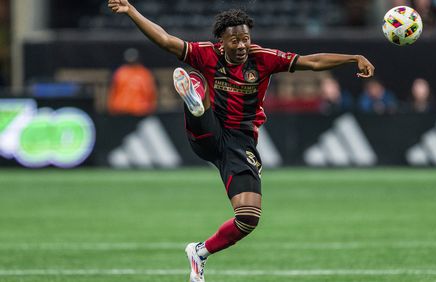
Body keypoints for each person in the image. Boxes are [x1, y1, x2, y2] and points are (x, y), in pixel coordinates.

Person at [108, 1, 375, 281]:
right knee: (199, 80)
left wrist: (353, 57)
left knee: (248, 218)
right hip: (209, 132)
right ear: (221, 42)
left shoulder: (264, 58)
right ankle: (195, 99)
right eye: (234, 40)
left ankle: (199, 252)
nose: (241, 45)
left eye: (245, 39)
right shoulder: (206, 53)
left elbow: (312, 61)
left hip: (241, 142)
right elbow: (165, 40)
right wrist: (132, 11)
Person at [107, 48, 158, 116]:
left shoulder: (144, 73)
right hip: (121, 111)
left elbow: (151, 93)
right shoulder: (120, 72)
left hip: (141, 112)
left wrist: (151, 108)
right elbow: (113, 91)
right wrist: (111, 107)